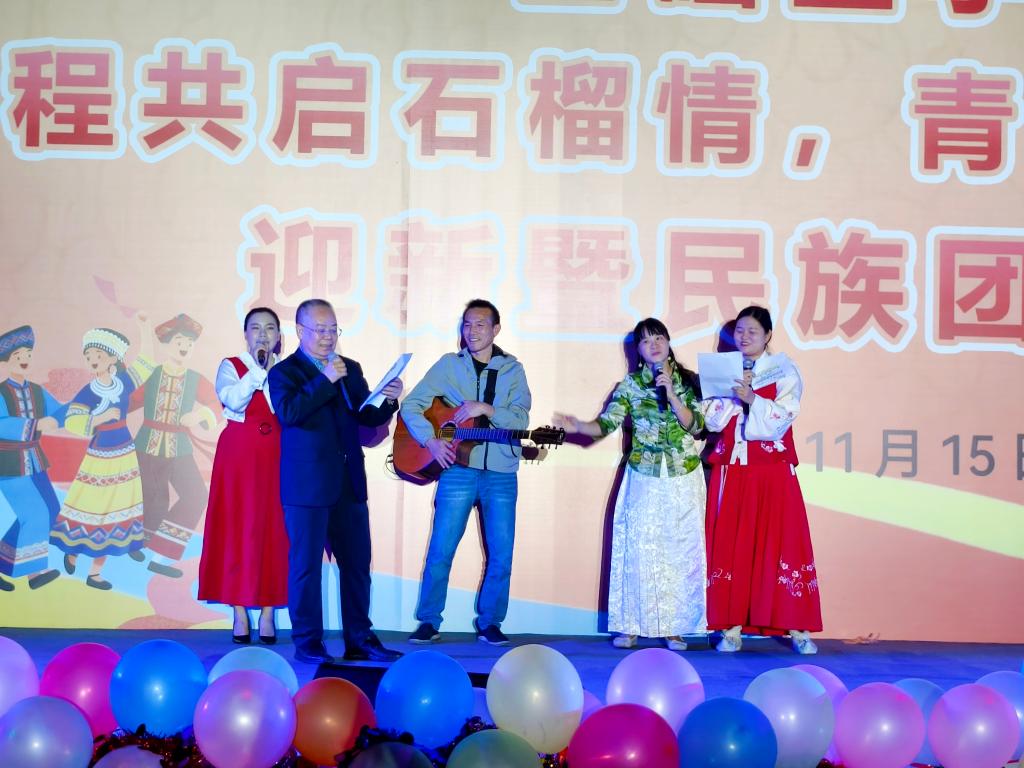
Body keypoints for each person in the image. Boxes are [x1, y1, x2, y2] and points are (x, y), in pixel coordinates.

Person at [553, 318, 707, 650]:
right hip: (644, 474)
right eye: (645, 341)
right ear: (637, 350)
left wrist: (672, 394)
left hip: (683, 475)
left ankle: (675, 627)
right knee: (637, 548)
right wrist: (579, 425)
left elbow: (697, 426)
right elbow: (605, 425)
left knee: (680, 551)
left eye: (659, 337)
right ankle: (630, 625)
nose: (654, 345)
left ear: (669, 342)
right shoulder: (630, 385)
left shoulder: (689, 381)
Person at [269, 298, 403, 664]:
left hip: (348, 483)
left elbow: (366, 417)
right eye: (320, 330)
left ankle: (360, 639)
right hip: (306, 487)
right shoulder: (284, 373)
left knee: (357, 566)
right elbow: (289, 413)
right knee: (306, 569)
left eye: (333, 329)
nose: (328, 337)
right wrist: (324, 379)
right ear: (300, 331)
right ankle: (308, 643)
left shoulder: (350, 368)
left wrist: (388, 400)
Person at [402, 299, 531, 647]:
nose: (472, 331)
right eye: (467, 324)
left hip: (501, 472)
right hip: (457, 469)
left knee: (501, 554)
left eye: (480, 324)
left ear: (496, 329)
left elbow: (521, 419)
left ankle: (490, 623)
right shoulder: (449, 366)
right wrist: (430, 441)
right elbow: (411, 405)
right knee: (441, 550)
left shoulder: (513, 370)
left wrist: (486, 408)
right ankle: (429, 620)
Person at [702, 305, 822, 654]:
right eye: (739, 330)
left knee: (781, 542)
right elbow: (711, 419)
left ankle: (797, 627)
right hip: (734, 468)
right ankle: (731, 627)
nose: (744, 337)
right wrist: (732, 396)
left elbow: (784, 415)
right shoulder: (724, 368)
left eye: (752, 331)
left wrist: (753, 397)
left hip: (771, 470)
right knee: (733, 544)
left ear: (768, 335)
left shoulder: (783, 369)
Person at [198, 307, 288, 644]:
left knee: (274, 530)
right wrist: (257, 373)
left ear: (279, 337)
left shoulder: (287, 371)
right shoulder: (231, 366)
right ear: (246, 335)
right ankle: (238, 612)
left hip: (277, 456)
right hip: (238, 457)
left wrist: (272, 374)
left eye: (270, 328)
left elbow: (287, 411)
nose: (263, 334)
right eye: (256, 328)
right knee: (236, 528)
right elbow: (232, 400)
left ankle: (267, 613)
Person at [52, 319, 156, 589]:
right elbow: (73, 421)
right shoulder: (88, 391)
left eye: (97, 354)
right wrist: (99, 417)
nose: (92, 359)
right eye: (88, 356)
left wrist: (144, 327)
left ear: (113, 358)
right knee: (91, 506)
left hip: (124, 452)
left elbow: (146, 363)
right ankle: (72, 550)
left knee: (116, 513)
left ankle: (95, 573)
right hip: (99, 456)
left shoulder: (123, 382)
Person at [129, 313, 219, 578]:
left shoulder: (195, 379)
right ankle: (139, 544)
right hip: (147, 446)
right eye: (180, 341)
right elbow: (128, 402)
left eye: (189, 343)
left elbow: (217, 403)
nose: (185, 346)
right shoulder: (152, 375)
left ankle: (162, 555)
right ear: (167, 344)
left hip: (179, 446)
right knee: (152, 499)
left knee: (196, 495)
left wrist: (199, 416)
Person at [0, 325, 64, 590]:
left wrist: (83, 410)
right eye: (17, 356)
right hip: (9, 463)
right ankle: (35, 573)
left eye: (27, 354)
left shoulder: (37, 390)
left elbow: (59, 412)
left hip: (35, 459)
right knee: (35, 512)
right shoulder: (1, 392)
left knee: (51, 509)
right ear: (7, 361)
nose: (24, 359)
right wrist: (36, 424)